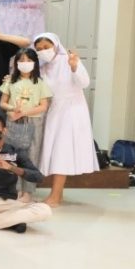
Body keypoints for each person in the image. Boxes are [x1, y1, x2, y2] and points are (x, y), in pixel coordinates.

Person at [32, 32, 99, 207]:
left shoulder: (68, 60)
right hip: (54, 111)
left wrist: (75, 66)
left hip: (71, 111)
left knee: (62, 152)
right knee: (55, 152)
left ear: (55, 45)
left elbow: (84, 83)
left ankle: (55, 196)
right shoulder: (42, 67)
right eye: (39, 49)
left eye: (46, 47)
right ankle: (57, 194)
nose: (43, 51)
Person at [0, 48, 52, 201]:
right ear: (16, 63)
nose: (25, 63)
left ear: (35, 63)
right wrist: (13, 109)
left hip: (34, 122)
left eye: (29, 60)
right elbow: (3, 103)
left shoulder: (40, 83)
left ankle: (28, 192)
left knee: (31, 156)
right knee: (13, 155)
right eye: (21, 60)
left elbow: (43, 106)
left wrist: (24, 112)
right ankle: (14, 190)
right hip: (14, 121)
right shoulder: (10, 81)